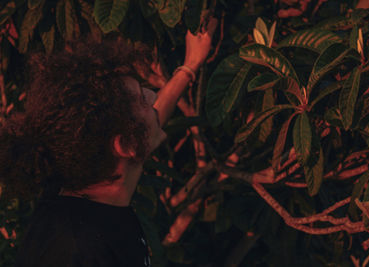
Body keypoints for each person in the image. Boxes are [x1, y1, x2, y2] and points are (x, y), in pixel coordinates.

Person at [0, 17, 217, 266]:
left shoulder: (79, 193)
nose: (152, 95)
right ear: (126, 146)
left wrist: (190, 65)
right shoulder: (77, 249)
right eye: (142, 100)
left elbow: (151, 120)